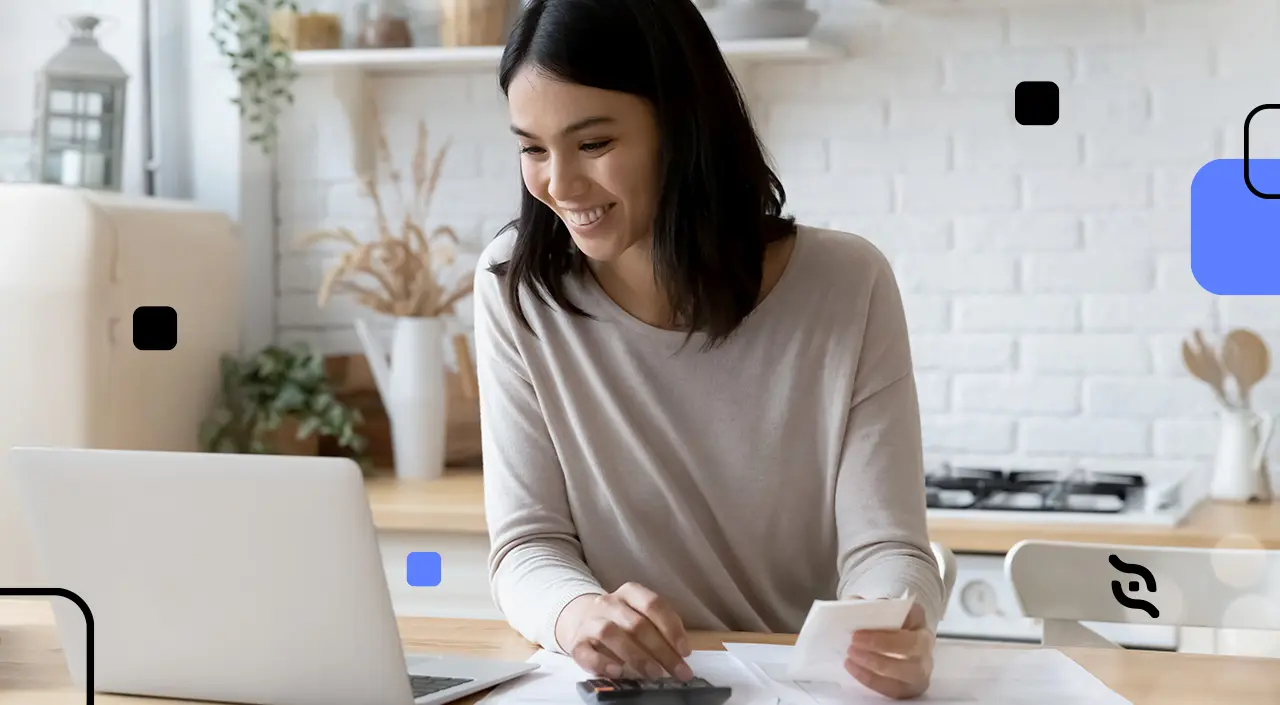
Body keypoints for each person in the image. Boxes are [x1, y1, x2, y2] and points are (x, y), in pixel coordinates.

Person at [471, 0, 945, 699]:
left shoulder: (847, 285)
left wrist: (895, 623)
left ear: (682, 127)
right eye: (533, 148)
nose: (559, 186)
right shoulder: (517, 288)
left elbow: (888, 548)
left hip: (795, 688)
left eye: (594, 143)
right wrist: (577, 615)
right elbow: (525, 545)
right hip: (618, 691)